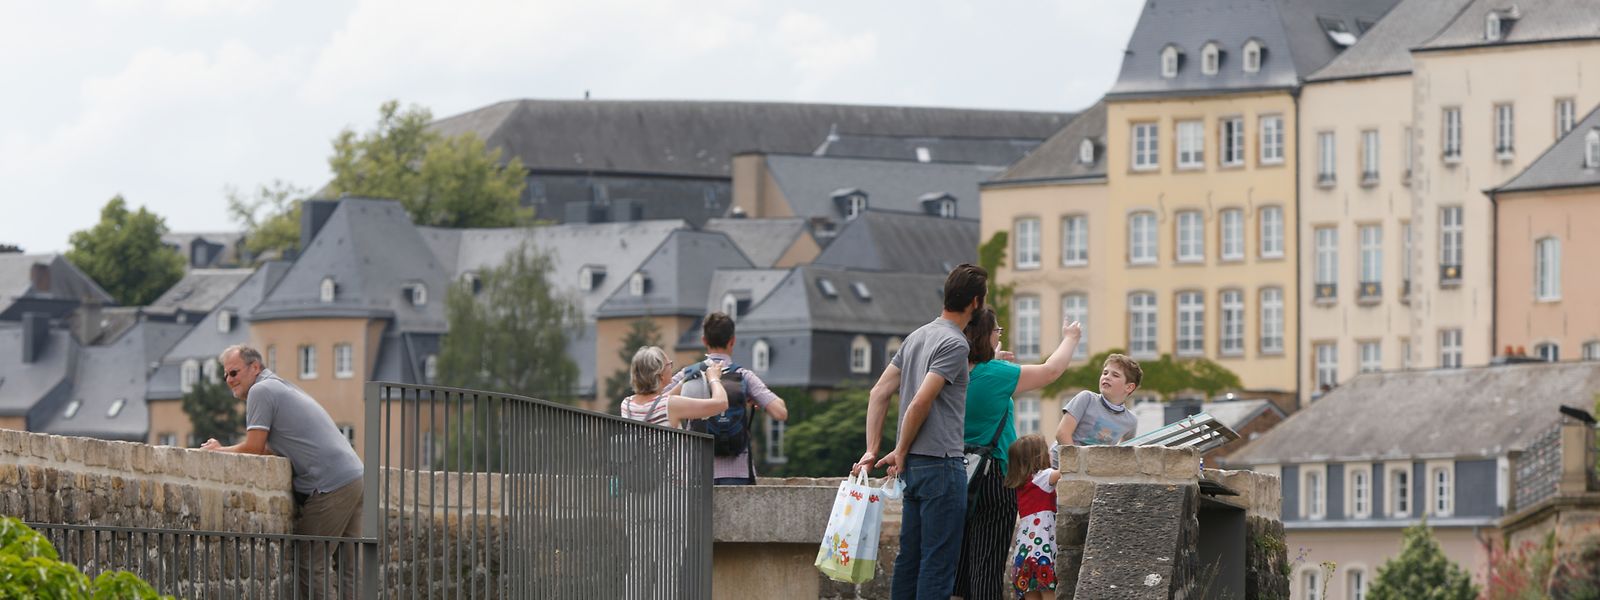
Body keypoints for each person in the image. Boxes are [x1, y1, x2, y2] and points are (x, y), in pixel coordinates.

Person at [854, 263, 988, 600]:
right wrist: (899, 449)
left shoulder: (917, 337)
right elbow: (920, 402)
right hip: (941, 463)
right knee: (937, 565)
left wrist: (872, 449)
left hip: (913, 469)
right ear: (975, 302)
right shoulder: (955, 344)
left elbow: (878, 392)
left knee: (909, 561)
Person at [201, 344, 364, 598]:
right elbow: (271, 449)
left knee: (311, 562)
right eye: (225, 376)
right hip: (354, 475)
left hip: (329, 483)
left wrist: (219, 451)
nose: (229, 380)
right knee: (348, 568)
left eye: (234, 373)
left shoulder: (261, 390)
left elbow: (254, 447)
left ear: (255, 367)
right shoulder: (279, 386)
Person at [954, 308, 1081, 600]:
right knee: (986, 566)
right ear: (985, 336)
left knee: (959, 568)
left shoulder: (952, 372)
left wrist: (992, 358)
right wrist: (1071, 338)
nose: (999, 335)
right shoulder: (995, 374)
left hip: (958, 472)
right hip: (993, 476)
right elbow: (1051, 370)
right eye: (996, 331)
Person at [664, 312, 789, 485]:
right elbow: (780, 413)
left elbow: (658, 404)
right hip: (738, 472)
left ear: (704, 341)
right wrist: (752, 397)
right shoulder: (744, 376)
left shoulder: (689, 374)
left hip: (697, 471)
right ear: (732, 341)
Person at [1004, 434, 1060, 600]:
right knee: (1049, 594)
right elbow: (1067, 471)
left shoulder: (1021, 484)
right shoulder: (1043, 477)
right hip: (1042, 553)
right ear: (1039, 456)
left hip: (1024, 554)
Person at [619, 345, 728, 427]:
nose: (671, 367)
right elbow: (721, 403)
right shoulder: (671, 405)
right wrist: (714, 378)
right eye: (669, 364)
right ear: (660, 374)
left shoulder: (627, 404)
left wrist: (682, 383)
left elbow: (656, 404)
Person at [1054, 354, 1142, 448]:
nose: (1107, 377)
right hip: (1064, 456)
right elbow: (1062, 434)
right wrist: (1077, 458)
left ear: (1129, 387)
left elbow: (1125, 452)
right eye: (1105, 373)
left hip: (1094, 458)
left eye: (1115, 375)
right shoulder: (1086, 398)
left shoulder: (1131, 421)